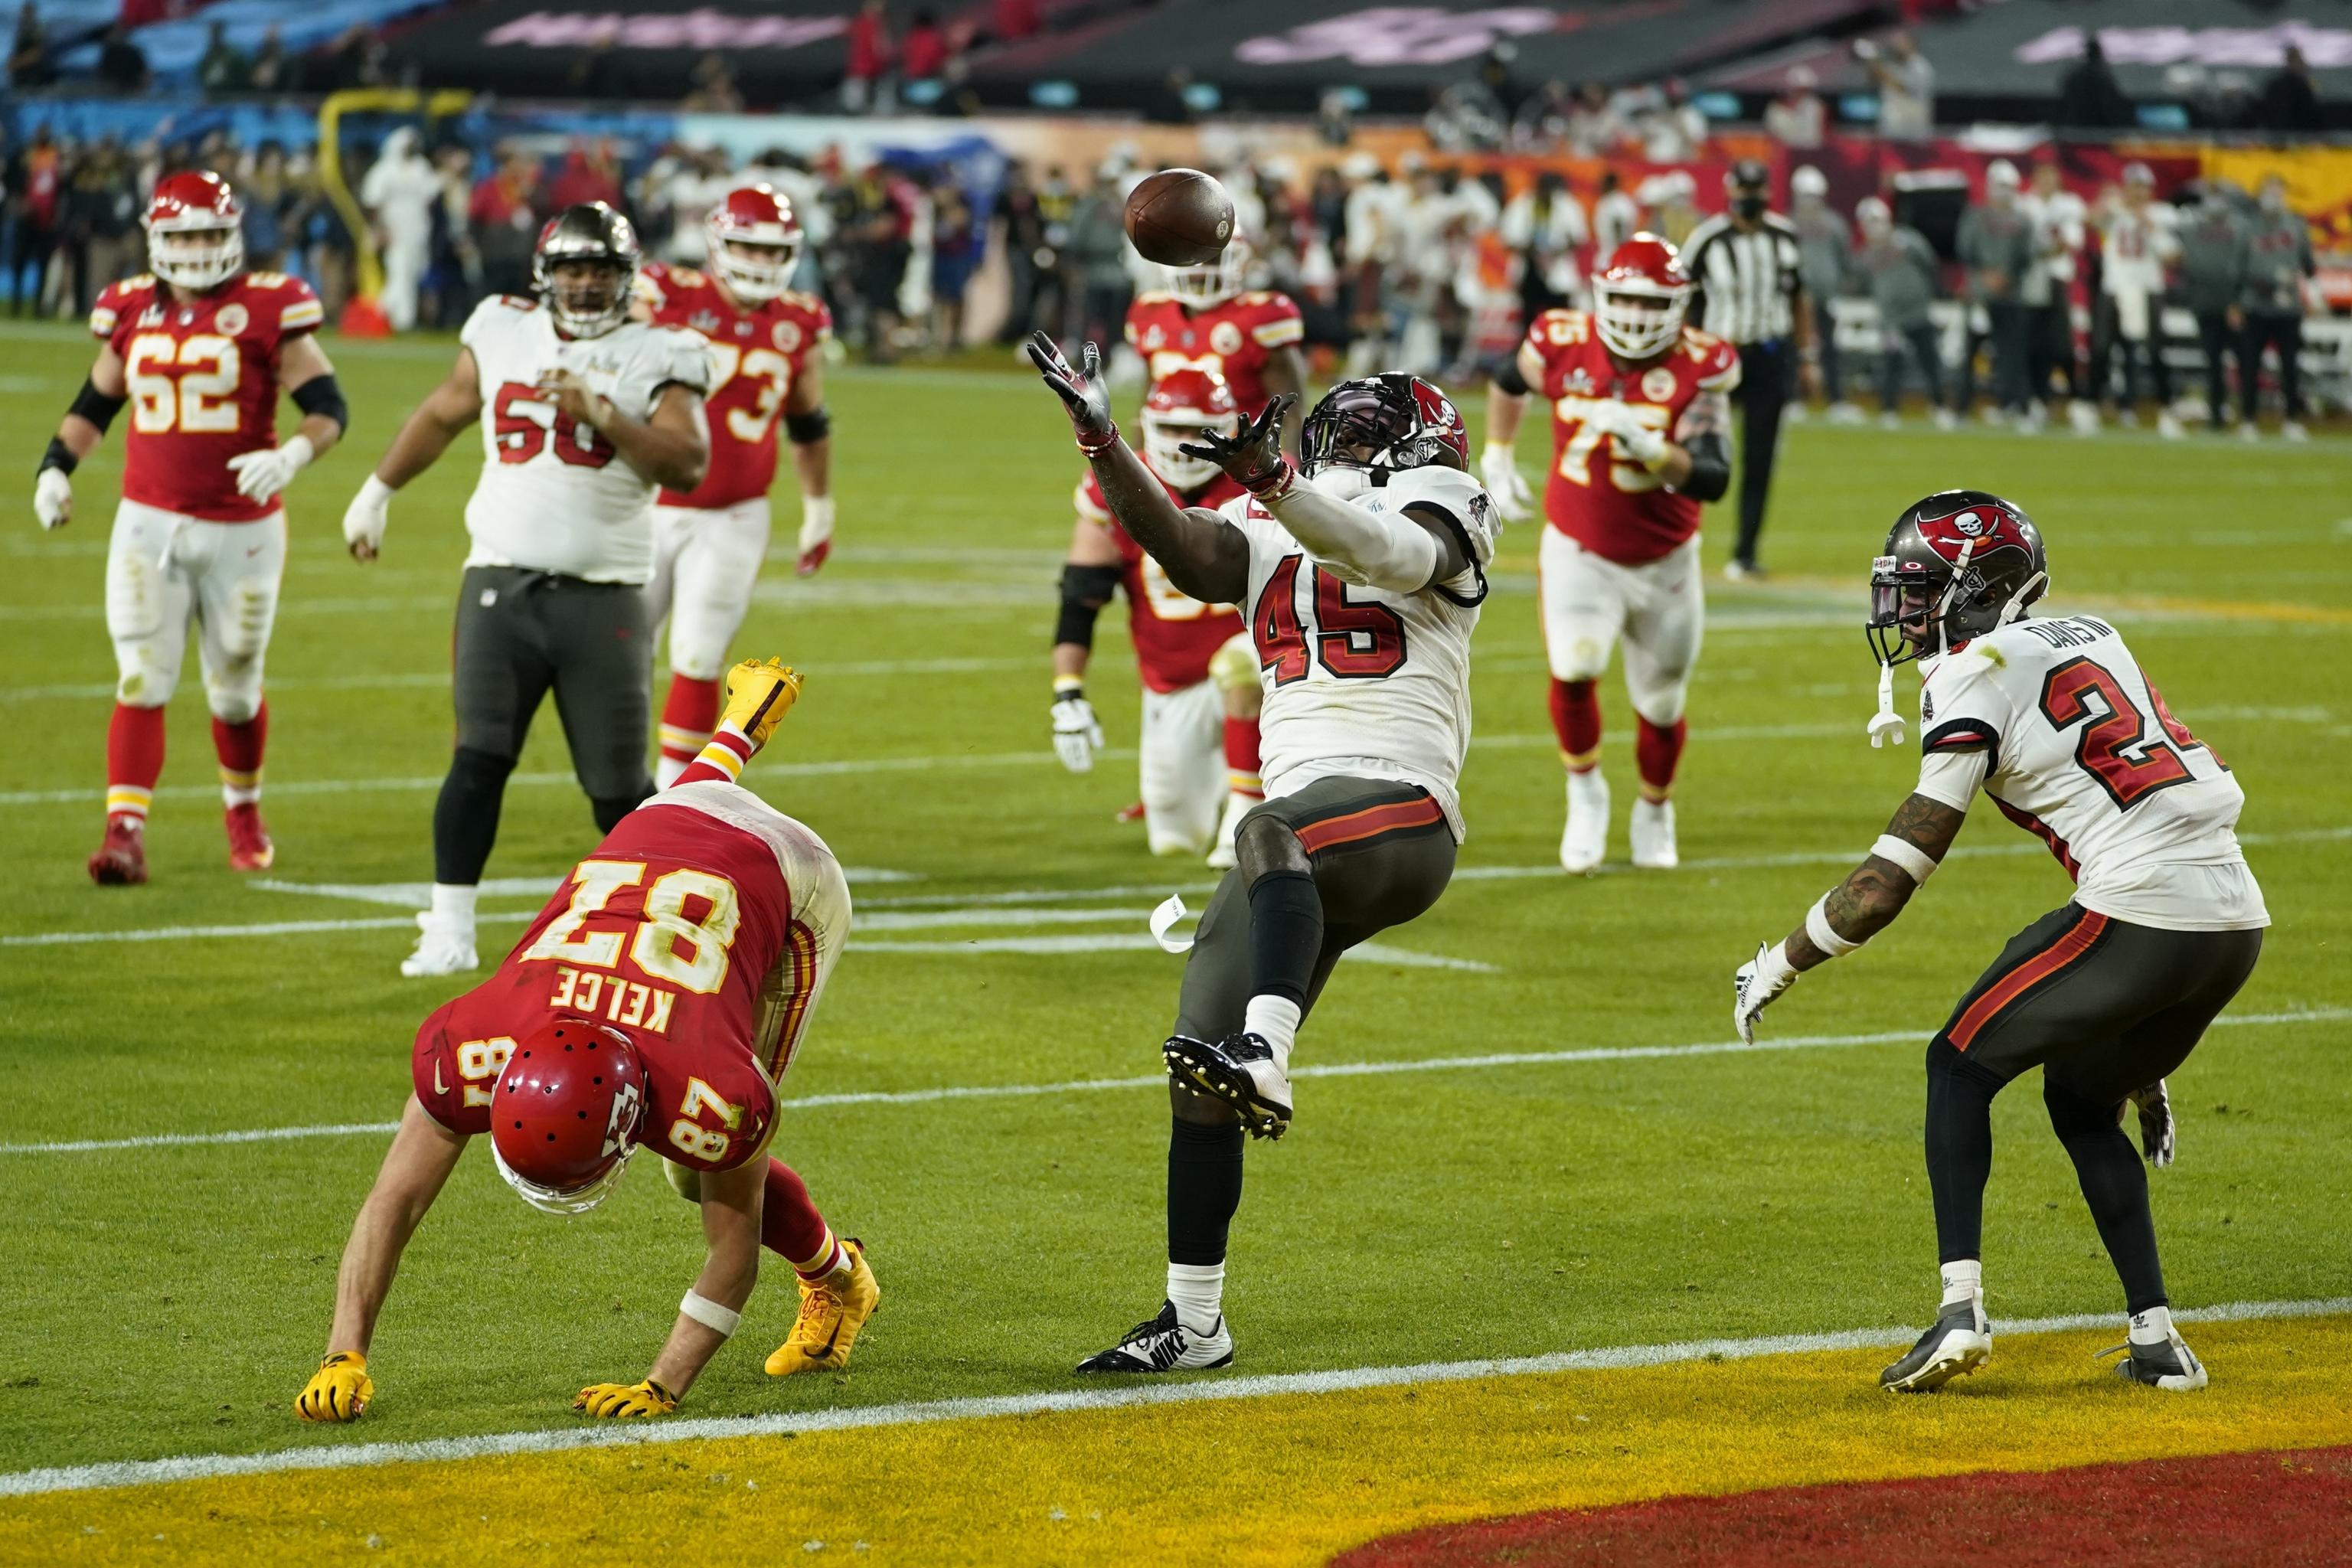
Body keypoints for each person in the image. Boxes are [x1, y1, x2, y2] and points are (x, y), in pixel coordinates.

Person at [1030, 339, 1498, 1371]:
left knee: (1263, 831)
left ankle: (1272, 1051)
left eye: (1373, 434)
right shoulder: (1268, 516)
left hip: (1400, 812)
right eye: (1343, 429)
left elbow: (1391, 558)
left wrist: (1283, 486)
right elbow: (1187, 552)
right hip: (1295, 848)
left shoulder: (1450, 504)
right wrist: (1103, 441)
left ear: (1421, 446)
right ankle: (1194, 1322)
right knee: (1196, 1062)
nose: (1349, 445)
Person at [1733, 491, 2265, 1396]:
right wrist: (2141, 1040)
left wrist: (1782, 960)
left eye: (1921, 591)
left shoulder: (1971, 672)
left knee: (1957, 1065)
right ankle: (2156, 1337)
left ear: (1980, 589)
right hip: (2232, 919)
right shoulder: (2093, 634)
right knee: (2080, 1100)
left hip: (2142, 912)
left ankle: (1960, 1309)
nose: (1901, 613)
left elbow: (1889, 878)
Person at [292, 662, 882, 1424]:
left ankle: (838, 1278)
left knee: (701, 1174)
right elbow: (395, 1200)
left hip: (790, 881)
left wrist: (662, 1384)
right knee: (706, 1152)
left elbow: (731, 1255)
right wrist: (344, 1350)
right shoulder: (482, 1036)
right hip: (665, 829)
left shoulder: (702, 1084)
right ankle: (735, 732)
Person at [339, 204, 712, 978]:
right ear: (546, 275)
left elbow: (687, 463)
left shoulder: (662, 349)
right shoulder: (502, 327)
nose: (583, 286)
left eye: (600, 272)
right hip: (499, 581)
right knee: (477, 757)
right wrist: (376, 490)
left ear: (626, 277)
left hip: (604, 595)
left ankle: (646, 936)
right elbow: (445, 413)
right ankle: (448, 928)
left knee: (617, 788)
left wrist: (601, 411)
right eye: (572, 271)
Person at [33, 170, 345, 885]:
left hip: (245, 528)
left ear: (233, 236)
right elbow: (96, 402)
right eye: (186, 235)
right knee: (142, 676)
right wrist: (56, 467)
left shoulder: (269, 306)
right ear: (157, 240)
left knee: (235, 687)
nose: (201, 248)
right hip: (150, 521)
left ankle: (243, 812)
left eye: (212, 233)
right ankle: (124, 834)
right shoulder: (131, 309)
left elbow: (329, 406)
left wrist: (294, 452)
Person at [1482, 234, 1734, 874]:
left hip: (1665, 557)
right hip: (1579, 546)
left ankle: (1654, 807)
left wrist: (1656, 454)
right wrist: (1499, 450)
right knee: (1574, 665)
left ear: (1680, 306)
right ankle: (1585, 791)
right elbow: (1510, 378)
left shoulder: (1700, 364)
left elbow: (1712, 476)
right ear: (1600, 293)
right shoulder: (1563, 339)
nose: (1635, 315)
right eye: (1622, 298)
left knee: (1661, 703)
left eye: (1650, 303)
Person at [639, 185, 838, 787]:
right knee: (621, 658)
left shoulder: (799, 321)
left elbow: (808, 418)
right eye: (747, 246)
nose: (759, 262)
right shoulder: (664, 294)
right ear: (717, 243)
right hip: (643, 505)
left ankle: (674, 804)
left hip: (733, 513)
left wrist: (819, 505)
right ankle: (623, 788)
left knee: (698, 659)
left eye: (771, 250)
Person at [1053, 369, 1261, 867]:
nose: (1183, 441)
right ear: (1147, 426)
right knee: (1174, 839)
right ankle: (1226, 777)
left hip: (1267, 666)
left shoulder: (1261, 479)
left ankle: (1248, 812)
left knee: (1240, 662)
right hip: (1171, 682)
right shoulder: (1118, 485)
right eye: (1170, 428)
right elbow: (1081, 596)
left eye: (1196, 428)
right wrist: (1068, 692)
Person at [1679, 161, 1812, 579]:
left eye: (1757, 186)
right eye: (1744, 186)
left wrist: (1807, 357)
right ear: (1729, 188)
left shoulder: (1784, 236)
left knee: (1760, 459)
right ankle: (1678, 549)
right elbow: (1683, 303)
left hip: (1771, 356)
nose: (1750, 195)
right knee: (1695, 454)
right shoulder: (1707, 239)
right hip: (1719, 358)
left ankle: (1745, 553)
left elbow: (1799, 299)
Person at [2087, 165, 2180, 438]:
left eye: (2143, 187)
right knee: (2102, 349)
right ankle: (2092, 406)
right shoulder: (2114, 210)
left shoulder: (2161, 214)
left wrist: (2150, 225)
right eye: (2133, 186)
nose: (2138, 193)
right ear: (2126, 187)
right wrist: (2108, 203)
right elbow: (2089, 220)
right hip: (2114, 287)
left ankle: (2166, 410)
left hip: (2147, 288)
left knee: (2154, 350)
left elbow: (2173, 257)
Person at [1851, 196, 1950, 429]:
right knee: (1892, 363)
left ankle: (1940, 406)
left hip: (1918, 312)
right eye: (1870, 222)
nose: (1875, 226)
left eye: (1877, 220)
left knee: (1930, 361)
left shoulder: (1908, 240)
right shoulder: (1866, 255)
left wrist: (1928, 294)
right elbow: (1859, 282)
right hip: (1891, 320)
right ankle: (1889, 409)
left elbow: (1929, 264)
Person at [1954, 160, 2034, 426]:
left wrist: (2006, 277)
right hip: (1979, 295)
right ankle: (1961, 410)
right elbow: (1965, 249)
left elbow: (2027, 256)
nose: (2003, 191)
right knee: (1970, 355)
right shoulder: (1975, 216)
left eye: (2007, 186)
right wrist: (1986, 276)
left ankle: (2018, 408)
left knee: (2012, 355)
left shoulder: (2023, 220)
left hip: (2010, 296)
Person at [2238, 175, 2314, 441]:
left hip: (2287, 305)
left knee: (2290, 366)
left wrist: (2307, 294)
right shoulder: (2249, 226)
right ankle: (2249, 419)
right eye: (2268, 191)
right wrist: (2238, 301)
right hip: (2256, 304)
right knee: (2250, 366)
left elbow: (2308, 265)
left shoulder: (2295, 224)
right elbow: (2239, 267)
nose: (2273, 197)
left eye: (2277, 191)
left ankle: (2292, 419)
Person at [2019, 163, 2088, 424]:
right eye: (2042, 176)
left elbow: (2070, 243)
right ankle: (2039, 400)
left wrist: (2048, 249)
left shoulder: (2068, 204)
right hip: (2032, 280)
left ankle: (2077, 400)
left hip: (2058, 278)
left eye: (2051, 176)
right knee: (2034, 344)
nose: (2047, 181)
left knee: (2062, 345)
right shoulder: (2025, 205)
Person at [2173, 184, 2245, 433]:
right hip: (2205, 305)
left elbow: (2244, 266)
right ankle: (2216, 416)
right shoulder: (2192, 228)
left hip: (2234, 306)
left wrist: (2238, 302)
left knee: (2244, 362)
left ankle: (2249, 417)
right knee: (2212, 364)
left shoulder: (2239, 228)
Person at [1788, 166, 1854, 420]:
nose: (1809, 201)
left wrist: (1838, 288)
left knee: (1831, 349)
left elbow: (1843, 258)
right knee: (1795, 350)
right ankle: (1794, 400)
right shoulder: (1788, 223)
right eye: (1805, 195)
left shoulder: (1834, 224)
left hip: (1826, 296)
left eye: (1813, 195)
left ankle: (1837, 400)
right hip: (1797, 299)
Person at [360, 127, 440, 333]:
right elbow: (372, 202)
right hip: (394, 229)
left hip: (418, 230)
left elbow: (431, 197)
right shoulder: (385, 170)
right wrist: (380, 230)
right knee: (400, 271)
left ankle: (383, 313)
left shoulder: (421, 167)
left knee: (413, 273)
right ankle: (402, 319)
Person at [1860, 31, 1933, 139]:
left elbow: (1904, 90)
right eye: (1894, 43)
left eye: (1900, 42)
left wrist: (1881, 71)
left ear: (1911, 44)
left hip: (1912, 131)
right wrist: (1872, 60)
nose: (1895, 46)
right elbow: (1872, 81)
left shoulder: (1921, 67)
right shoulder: (1891, 65)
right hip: (1890, 129)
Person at [2058, 34, 2134, 129]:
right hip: (2096, 127)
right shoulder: (2101, 76)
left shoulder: (2074, 75)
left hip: (2077, 125)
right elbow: (2109, 104)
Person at [2256, 45, 2322, 135]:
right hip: (2297, 136)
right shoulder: (2299, 86)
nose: (2303, 63)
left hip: (2276, 136)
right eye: (2299, 60)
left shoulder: (2274, 84)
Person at [1764, 67, 1826, 149]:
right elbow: (1772, 134)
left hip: (1810, 151)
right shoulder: (1775, 110)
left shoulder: (1815, 106)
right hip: (1785, 151)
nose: (1800, 93)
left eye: (1805, 90)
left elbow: (1822, 133)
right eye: (1799, 89)